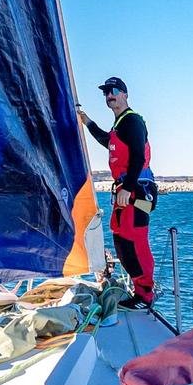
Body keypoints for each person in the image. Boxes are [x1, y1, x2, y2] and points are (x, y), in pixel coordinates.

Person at [80, 76, 157, 308]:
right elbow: (108, 141)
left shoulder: (132, 121)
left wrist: (130, 187)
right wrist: (87, 122)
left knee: (136, 241)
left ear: (124, 94)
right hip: (125, 191)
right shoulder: (119, 125)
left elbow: (138, 156)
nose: (109, 95)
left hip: (138, 191)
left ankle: (146, 295)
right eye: (106, 92)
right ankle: (137, 289)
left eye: (113, 90)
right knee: (122, 242)